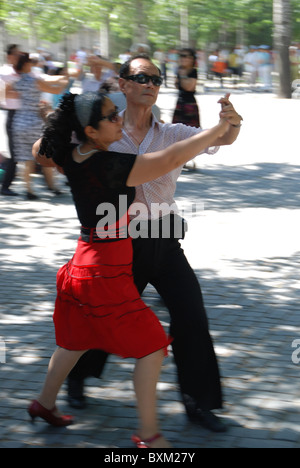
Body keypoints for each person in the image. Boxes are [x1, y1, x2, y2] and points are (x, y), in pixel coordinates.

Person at [41, 54, 243, 434]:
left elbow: (224, 140)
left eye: (156, 78)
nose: (150, 83)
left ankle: (198, 402)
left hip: (165, 239)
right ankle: (78, 380)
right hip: (119, 243)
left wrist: (229, 123)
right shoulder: (103, 132)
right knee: (99, 319)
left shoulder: (172, 133)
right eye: (142, 77)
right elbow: (47, 151)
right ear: (123, 84)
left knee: (192, 316)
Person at [6, 52, 68, 199]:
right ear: (27, 64)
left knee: (26, 158)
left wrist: (15, 95)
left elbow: (4, 93)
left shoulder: (16, 81)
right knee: (44, 154)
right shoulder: (35, 81)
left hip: (19, 121)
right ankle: (53, 186)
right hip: (34, 121)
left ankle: (29, 190)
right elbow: (56, 90)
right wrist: (65, 81)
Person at [0, 44, 21, 196]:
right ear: (9, 56)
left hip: (20, 114)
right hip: (8, 113)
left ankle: (7, 184)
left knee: (15, 151)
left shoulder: (22, 72)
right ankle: (5, 186)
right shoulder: (4, 72)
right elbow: (2, 95)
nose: (18, 57)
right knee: (12, 151)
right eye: (16, 54)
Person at [172, 48, 200, 128]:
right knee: (176, 132)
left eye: (184, 56)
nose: (182, 58)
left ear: (191, 59)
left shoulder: (193, 71)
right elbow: (176, 85)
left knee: (191, 132)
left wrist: (183, 76)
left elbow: (189, 87)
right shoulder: (180, 70)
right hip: (180, 103)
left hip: (189, 104)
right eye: (180, 56)